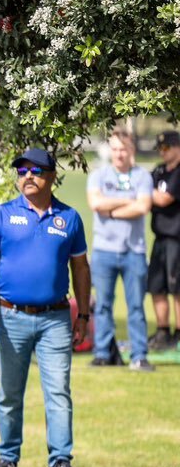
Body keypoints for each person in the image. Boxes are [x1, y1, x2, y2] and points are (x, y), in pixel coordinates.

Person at [0, 147, 90, 467]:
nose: (27, 176)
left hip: (55, 318)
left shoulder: (69, 218)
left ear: (52, 176)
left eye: (36, 171)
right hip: (10, 317)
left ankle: (60, 460)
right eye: (22, 171)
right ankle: (8, 458)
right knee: (10, 392)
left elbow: (81, 269)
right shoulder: (2, 214)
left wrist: (82, 316)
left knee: (58, 391)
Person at [86, 130, 154, 370]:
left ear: (131, 151)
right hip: (104, 250)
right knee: (103, 305)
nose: (119, 154)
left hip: (133, 251)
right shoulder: (98, 176)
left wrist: (111, 208)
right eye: (114, 149)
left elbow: (143, 206)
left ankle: (139, 356)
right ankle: (103, 353)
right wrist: (128, 200)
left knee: (136, 306)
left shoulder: (142, 176)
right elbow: (95, 203)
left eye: (123, 149)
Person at [149, 130, 180, 350]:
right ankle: (162, 331)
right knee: (157, 285)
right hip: (159, 237)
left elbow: (164, 198)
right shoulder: (158, 171)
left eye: (166, 148)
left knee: (177, 287)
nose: (162, 152)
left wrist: (144, 193)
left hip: (177, 238)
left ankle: (178, 333)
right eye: (160, 148)